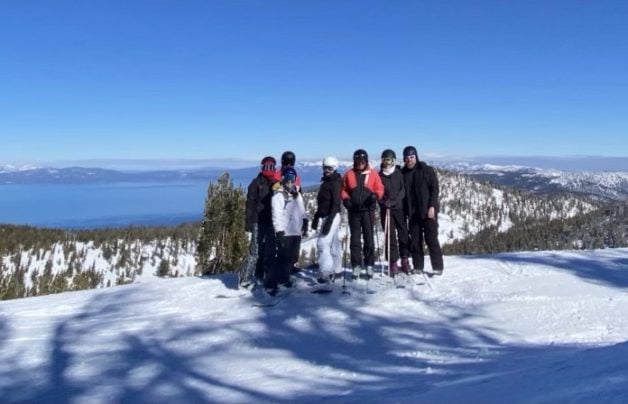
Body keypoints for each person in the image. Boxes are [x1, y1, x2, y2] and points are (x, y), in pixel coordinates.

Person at [400, 145, 444, 275]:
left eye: (412, 157)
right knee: (415, 242)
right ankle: (418, 266)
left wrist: (432, 206)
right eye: (407, 157)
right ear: (404, 159)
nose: (409, 160)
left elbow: (434, 189)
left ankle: (437, 267)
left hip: (427, 211)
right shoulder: (402, 174)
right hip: (413, 214)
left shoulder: (426, 170)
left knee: (431, 239)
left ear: (416, 157)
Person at [341, 149, 384, 280]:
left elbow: (380, 188)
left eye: (363, 161)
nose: (360, 163)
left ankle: (369, 264)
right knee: (355, 240)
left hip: (367, 211)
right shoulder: (349, 174)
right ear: (355, 161)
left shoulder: (373, 174)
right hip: (353, 211)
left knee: (369, 238)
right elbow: (343, 189)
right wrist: (346, 199)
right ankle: (356, 266)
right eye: (358, 161)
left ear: (366, 161)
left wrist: (375, 196)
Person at [240, 156, 279, 288]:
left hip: (272, 221)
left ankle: (268, 277)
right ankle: (244, 279)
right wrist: (248, 222)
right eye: (266, 166)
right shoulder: (256, 183)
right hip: (258, 221)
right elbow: (249, 203)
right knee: (255, 251)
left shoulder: (276, 184)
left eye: (271, 166)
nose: (269, 169)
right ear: (262, 167)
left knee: (270, 250)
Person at [269, 167, 306, 296]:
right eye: (287, 179)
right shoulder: (279, 196)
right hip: (285, 232)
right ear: (283, 180)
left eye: (292, 179)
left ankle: (284, 279)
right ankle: (271, 283)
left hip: (296, 231)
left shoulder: (297, 194)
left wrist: (305, 221)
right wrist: (279, 231)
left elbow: (301, 210)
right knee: (282, 258)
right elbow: (276, 215)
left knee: (292, 257)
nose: (290, 182)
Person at [378, 149, 410, 276]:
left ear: (393, 161)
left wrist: (395, 201)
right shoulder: (379, 176)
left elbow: (403, 190)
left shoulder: (399, 173)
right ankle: (393, 262)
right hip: (386, 210)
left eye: (389, 160)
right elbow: (378, 193)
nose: (387, 163)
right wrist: (383, 202)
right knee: (390, 236)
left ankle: (405, 259)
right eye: (385, 160)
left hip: (399, 209)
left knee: (403, 235)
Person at [311, 156, 342, 283]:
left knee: (322, 243)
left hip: (332, 216)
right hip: (327, 216)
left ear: (334, 168)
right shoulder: (327, 181)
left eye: (329, 168)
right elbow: (323, 203)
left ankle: (326, 273)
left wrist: (329, 221)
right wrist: (316, 217)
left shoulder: (334, 182)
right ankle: (337, 270)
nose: (327, 170)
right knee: (334, 243)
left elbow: (335, 204)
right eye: (325, 168)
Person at [276, 150, 308, 272]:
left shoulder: (295, 175)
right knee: (283, 243)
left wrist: (302, 216)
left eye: (291, 162)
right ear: (283, 161)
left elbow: (298, 194)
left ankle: (291, 265)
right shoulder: (278, 174)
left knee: (294, 241)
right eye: (287, 162)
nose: (289, 164)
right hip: (282, 213)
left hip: (293, 213)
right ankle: (281, 268)